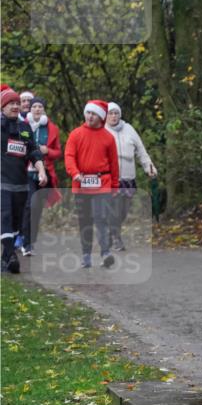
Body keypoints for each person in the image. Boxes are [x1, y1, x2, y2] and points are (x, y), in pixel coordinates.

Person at [64, 100, 119, 269]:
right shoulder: (76, 134)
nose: (90, 116)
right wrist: (75, 173)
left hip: (102, 182)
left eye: (94, 114)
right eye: (88, 113)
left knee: (101, 218)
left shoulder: (108, 137)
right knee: (85, 220)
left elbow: (114, 163)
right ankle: (86, 254)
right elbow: (69, 156)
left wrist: (115, 186)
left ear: (101, 117)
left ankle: (105, 253)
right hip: (81, 183)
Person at [1, 88, 47, 273]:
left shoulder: (24, 128)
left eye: (17, 103)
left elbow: (33, 152)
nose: (15, 106)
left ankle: (6, 257)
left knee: (16, 223)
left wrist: (42, 171)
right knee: (4, 217)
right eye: (10, 103)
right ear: (2, 107)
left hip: (21, 183)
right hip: (2, 182)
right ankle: (11, 255)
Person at [105, 102, 157, 251]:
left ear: (120, 115)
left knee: (123, 211)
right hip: (110, 178)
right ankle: (116, 239)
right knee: (114, 209)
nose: (113, 116)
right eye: (110, 113)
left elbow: (141, 150)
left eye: (116, 113)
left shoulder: (129, 129)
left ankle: (111, 233)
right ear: (106, 116)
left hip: (128, 177)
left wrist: (149, 167)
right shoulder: (101, 131)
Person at [22, 97, 62, 255]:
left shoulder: (52, 128)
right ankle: (25, 243)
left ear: (44, 109)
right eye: (34, 106)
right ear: (30, 109)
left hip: (44, 173)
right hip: (26, 172)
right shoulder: (23, 125)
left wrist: (47, 151)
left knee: (37, 207)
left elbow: (58, 152)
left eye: (40, 106)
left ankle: (31, 241)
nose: (37, 109)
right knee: (29, 205)